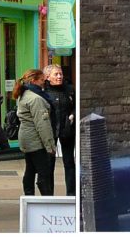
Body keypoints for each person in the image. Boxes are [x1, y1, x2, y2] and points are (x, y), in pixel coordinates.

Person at [14, 69, 56, 196]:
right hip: (35, 139)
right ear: (34, 81)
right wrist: (49, 145)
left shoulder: (24, 94)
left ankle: (29, 196)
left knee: (30, 169)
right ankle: (46, 199)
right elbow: (42, 125)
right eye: (42, 80)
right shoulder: (35, 99)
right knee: (43, 171)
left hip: (26, 137)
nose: (44, 82)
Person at [43, 64, 76, 196]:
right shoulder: (44, 91)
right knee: (49, 164)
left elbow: (76, 105)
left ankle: (71, 193)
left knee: (69, 163)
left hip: (67, 129)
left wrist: (73, 114)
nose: (59, 76)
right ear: (47, 77)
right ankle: (49, 195)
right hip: (50, 130)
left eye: (60, 74)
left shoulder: (69, 89)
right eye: (56, 74)